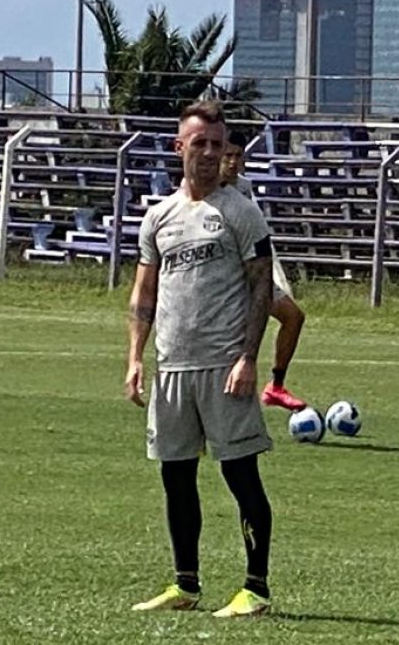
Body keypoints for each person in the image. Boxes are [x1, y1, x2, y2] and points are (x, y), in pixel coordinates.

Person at [126, 101, 277, 617]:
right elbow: (144, 294)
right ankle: (184, 584)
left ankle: (255, 588)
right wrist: (135, 358)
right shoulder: (159, 217)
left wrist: (248, 356)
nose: (210, 153)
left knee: (240, 477)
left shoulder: (240, 212)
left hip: (224, 367)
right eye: (201, 143)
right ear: (180, 148)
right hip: (173, 367)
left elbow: (262, 288)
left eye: (218, 144)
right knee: (175, 476)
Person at [220, 132, 308, 412]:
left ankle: (276, 386)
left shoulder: (244, 188)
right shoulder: (210, 193)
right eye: (228, 155)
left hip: (255, 275)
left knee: (293, 317)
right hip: (227, 279)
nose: (233, 162)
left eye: (238, 156)